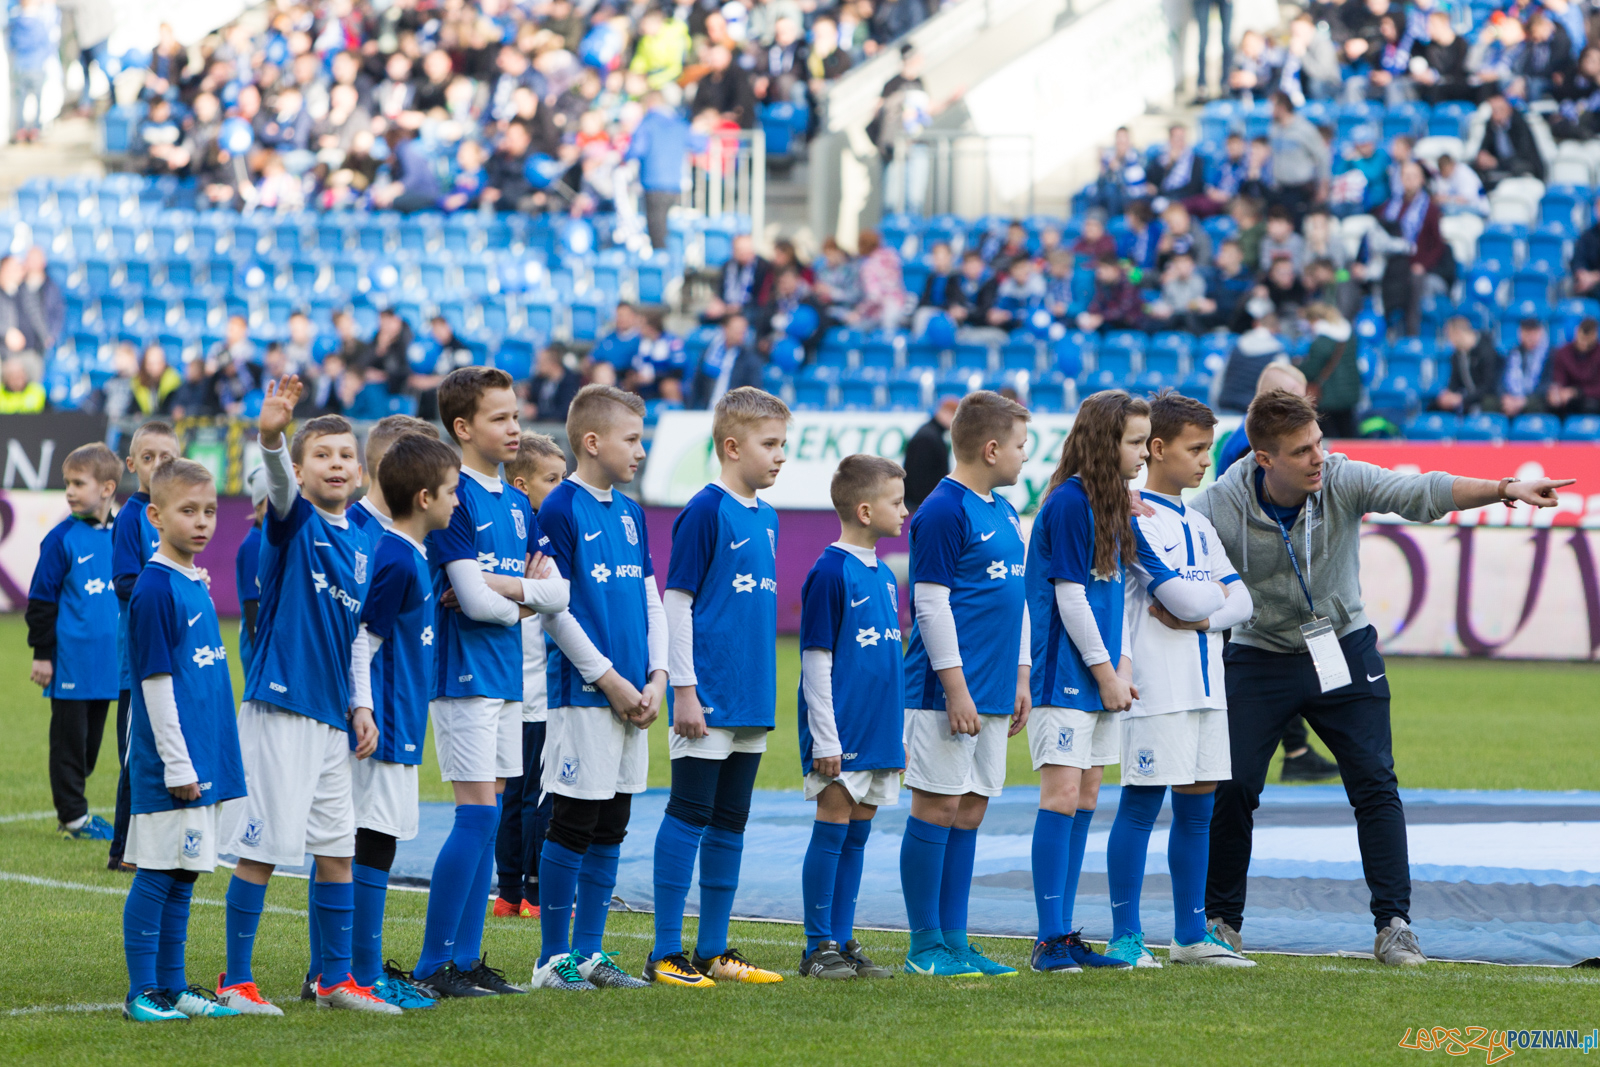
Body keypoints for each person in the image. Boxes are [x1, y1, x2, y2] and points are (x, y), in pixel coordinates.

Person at [1192, 388, 1573, 964]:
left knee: (1374, 783)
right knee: (1234, 785)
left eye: (1319, 442)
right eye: (1302, 451)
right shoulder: (1218, 505)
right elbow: (1167, 546)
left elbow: (1420, 492)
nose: (1319, 457)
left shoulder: (1341, 476)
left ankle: (1394, 926)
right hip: (1258, 654)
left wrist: (1503, 488)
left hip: (1343, 646)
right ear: (1264, 459)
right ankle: (1222, 922)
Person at [218, 382, 388, 1016]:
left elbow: (355, 637)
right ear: (298, 470)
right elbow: (279, 488)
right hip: (281, 710)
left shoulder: (364, 543)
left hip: (331, 719)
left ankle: (335, 981)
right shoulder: (294, 523)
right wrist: (271, 435)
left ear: (361, 472)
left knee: (338, 851)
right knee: (262, 850)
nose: (336, 464)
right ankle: (236, 982)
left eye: (346, 455)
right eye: (322, 455)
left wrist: (360, 705)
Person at [411, 368, 568, 999]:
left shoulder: (515, 502)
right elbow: (472, 604)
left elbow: (557, 592)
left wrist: (509, 594)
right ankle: (433, 964)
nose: (515, 428)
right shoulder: (457, 497)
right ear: (463, 427)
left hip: (504, 676)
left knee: (489, 813)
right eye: (500, 418)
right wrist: (523, 598)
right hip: (463, 674)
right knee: (476, 816)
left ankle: (467, 959)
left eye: (516, 415)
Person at [1103, 391, 1255, 969]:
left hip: (1208, 686)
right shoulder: (1130, 516)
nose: (1205, 461)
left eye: (1209, 449)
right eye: (1195, 449)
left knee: (1198, 811)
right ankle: (1125, 935)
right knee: (1140, 807)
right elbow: (1186, 595)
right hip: (1154, 687)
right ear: (1158, 448)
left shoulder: (1200, 522)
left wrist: (1200, 614)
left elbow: (1243, 603)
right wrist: (1208, 598)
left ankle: (1191, 935)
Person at [647, 387, 790, 988]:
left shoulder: (769, 518)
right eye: (770, 444)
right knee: (689, 813)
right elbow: (676, 603)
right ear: (732, 447)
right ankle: (664, 952)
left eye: (783, 444)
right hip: (707, 696)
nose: (781, 455)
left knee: (731, 820)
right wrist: (684, 688)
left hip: (752, 694)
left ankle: (713, 950)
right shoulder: (706, 510)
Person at [531, 385, 664, 992]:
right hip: (585, 695)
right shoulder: (560, 507)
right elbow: (553, 610)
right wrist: (607, 679)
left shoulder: (632, 514)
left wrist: (657, 677)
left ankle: (589, 953)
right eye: (631, 438)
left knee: (613, 822)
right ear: (592, 442)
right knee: (574, 821)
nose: (640, 450)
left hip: (635, 695)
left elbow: (650, 600)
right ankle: (551, 960)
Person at [899, 391, 1033, 978]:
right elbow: (929, 605)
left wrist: (1022, 674)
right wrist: (955, 688)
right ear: (992, 448)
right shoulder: (942, 510)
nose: (1026, 456)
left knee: (971, 810)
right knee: (938, 806)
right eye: (1022, 445)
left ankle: (956, 940)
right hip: (946, 694)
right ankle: (924, 946)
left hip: (998, 689)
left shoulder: (1004, 510)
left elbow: (1017, 599)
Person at [1022, 390, 1144, 975]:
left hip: (1099, 678)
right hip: (1063, 676)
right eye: (1135, 442)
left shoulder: (1110, 502)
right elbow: (1070, 597)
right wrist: (1105, 672)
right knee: (1062, 797)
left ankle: (1064, 934)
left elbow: (1117, 595)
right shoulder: (1071, 502)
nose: (1144, 452)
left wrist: (1123, 667)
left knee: (1087, 798)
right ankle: (1048, 939)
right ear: (1104, 442)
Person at [120, 458, 246, 1022]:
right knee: (157, 874)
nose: (201, 522)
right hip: (173, 765)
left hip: (203, 755)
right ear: (155, 515)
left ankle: (173, 986)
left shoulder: (193, 581)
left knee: (185, 872)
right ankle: (142, 992)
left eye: (210, 511)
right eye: (188, 510)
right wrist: (177, 764)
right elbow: (154, 685)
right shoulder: (154, 589)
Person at [347, 432, 465, 1010]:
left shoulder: (412, 554)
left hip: (400, 721)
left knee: (378, 839)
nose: (457, 502)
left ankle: (353, 971)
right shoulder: (395, 556)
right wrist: (364, 709)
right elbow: (361, 641)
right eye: (451, 491)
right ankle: (361, 974)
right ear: (424, 498)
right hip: (385, 725)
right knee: (372, 840)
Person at [795, 453, 908, 980]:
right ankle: (817, 946)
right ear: (865, 510)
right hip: (842, 734)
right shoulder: (829, 571)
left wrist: (895, 733)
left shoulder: (885, 574)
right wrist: (825, 737)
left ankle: (842, 939)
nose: (904, 511)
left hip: (878, 730)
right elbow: (815, 660)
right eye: (896, 502)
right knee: (833, 828)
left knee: (857, 835)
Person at [26, 443, 122, 843]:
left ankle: (73, 807)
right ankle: (74, 817)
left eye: (79, 483)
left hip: (109, 663)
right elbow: (41, 600)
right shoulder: (60, 538)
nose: (69, 491)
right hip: (69, 661)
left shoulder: (124, 536)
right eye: (67, 483)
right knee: (69, 743)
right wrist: (42, 654)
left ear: (107, 488)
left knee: (89, 748)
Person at [493, 434, 570, 921]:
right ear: (522, 485)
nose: (562, 488)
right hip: (535, 692)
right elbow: (551, 598)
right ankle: (533, 895)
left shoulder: (513, 535)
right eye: (552, 480)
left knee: (513, 795)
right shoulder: (535, 540)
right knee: (538, 797)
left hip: (510, 689)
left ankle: (507, 893)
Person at [109, 422, 181, 872]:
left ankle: (154, 844)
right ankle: (121, 851)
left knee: (161, 751)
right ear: (132, 464)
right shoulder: (131, 517)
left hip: (169, 653)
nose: (157, 466)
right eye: (148, 458)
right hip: (136, 660)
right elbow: (123, 581)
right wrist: (167, 591)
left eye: (166, 458)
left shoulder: (172, 515)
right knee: (136, 756)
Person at [625, 92, 706, 250]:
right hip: (675, 185)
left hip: (653, 183)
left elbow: (636, 150)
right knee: (669, 229)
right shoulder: (679, 123)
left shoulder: (647, 123)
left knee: (657, 232)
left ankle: (662, 261)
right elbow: (700, 144)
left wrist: (623, 154)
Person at [1299, 302, 1363, 438]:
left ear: (1315, 320)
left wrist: (1298, 367)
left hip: (1329, 395)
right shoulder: (1349, 336)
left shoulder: (1322, 341)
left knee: (1326, 436)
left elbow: (1311, 370)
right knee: (1348, 433)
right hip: (1349, 393)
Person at [1267, 92, 1329, 221]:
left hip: (1301, 188)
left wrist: (1323, 187)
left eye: (1272, 106)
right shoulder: (1274, 128)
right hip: (1281, 188)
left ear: (1282, 107)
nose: (1269, 110)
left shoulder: (1304, 129)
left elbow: (1322, 157)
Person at [1471, 93, 1546, 190]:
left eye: (1500, 110)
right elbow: (1485, 148)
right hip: (1501, 168)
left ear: (1509, 109)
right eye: (1494, 110)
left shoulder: (1519, 123)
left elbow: (1524, 154)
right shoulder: (1490, 125)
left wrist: (1497, 162)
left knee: (1519, 166)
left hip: (1522, 166)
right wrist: (1482, 157)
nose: (1496, 114)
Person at [1433, 315, 1503, 415]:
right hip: (1467, 397)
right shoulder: (1457, 355)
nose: (1450, 342)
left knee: (1488, 403)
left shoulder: (1487, 351)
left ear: (1458, 333)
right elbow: (1454, 382)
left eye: (1450, 336)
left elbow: (1488, 386)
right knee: (1435, 405)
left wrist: (1462, 398)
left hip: (1487, 397)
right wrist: (1449, 395)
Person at [235, 468, 268, 675]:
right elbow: (252, 603)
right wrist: (261, 653)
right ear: (258, 506)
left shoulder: (277, 541)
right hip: (261, 648)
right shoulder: (253, 545)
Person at [903, 397, 958, 512]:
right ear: (945, 413)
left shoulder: (931, 434)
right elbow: (918, 478)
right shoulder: (927, 437)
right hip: (919, 505)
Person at [1497, 318, 1553, 418]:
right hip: (1512, 399)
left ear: (1540, 333)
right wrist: (1506, 397)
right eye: (1526, 333)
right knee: (1490, 402)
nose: (1530, 337)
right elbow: (1500, 379)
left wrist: (1523, 401)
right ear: (1520, 334)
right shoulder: (1513, 353)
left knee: (1541, 403)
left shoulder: (1550, 354)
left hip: (1535, 399)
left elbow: (1548, 384)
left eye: (1533, 333)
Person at [1548, 317, 1600, 416]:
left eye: (1587, 340)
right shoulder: (1563, 353)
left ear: (1595, 336)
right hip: (1567, 401)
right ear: (1576, 332)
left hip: (1592, 401)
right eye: (1582, 339)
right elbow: (1558, 379)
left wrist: (1577, 392)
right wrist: (1557, 392)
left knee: (1590, 405)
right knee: (1552, 405)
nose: (1584, 343)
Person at [526, 344, 584, 422]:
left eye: (540, 363)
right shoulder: (539, 380)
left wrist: (538, 413)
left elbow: (566, 411)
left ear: (552, 363)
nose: (537, 366)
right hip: (538, 424)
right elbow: (532, 401)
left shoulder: (570, 381)